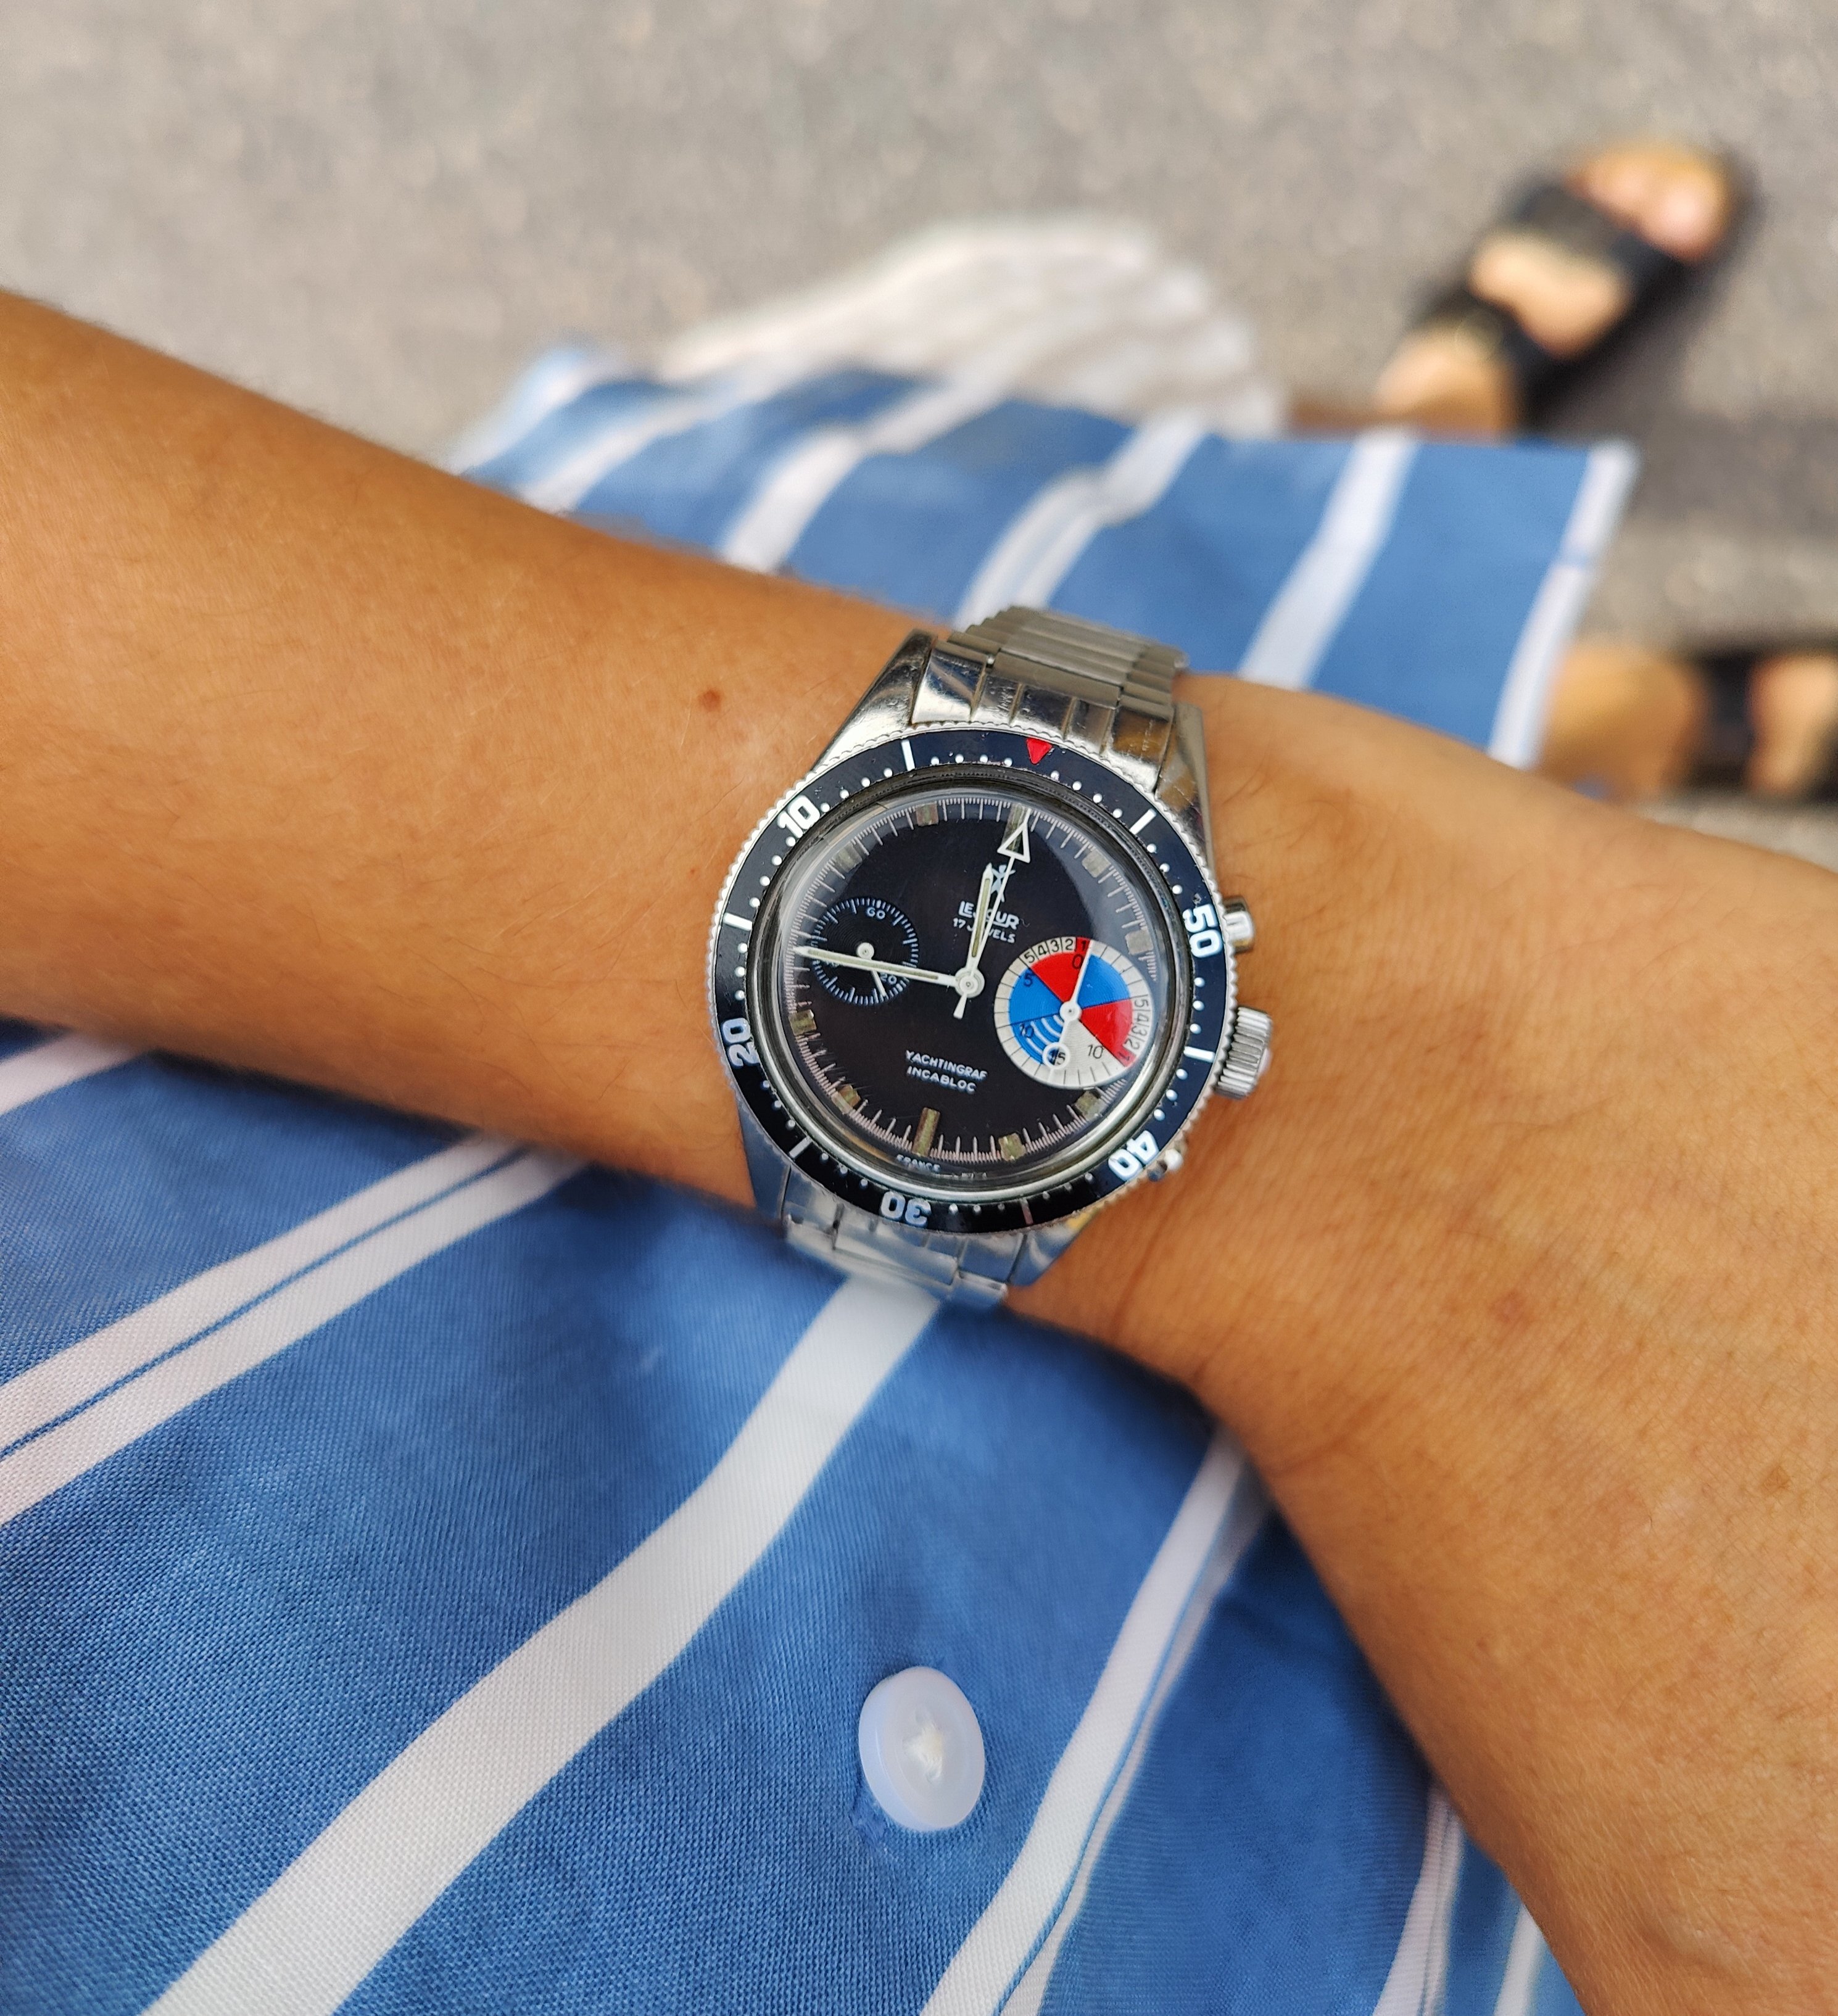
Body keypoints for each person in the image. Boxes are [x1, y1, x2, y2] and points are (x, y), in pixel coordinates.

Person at [0, 258, 1832, 2016]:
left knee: (1197, 545)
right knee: (1313, 640)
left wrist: (1429, 1077)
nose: (950, 974)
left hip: (475, 735)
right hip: (1425, 1785)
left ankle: (1452, 480)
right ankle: (1590, 694)